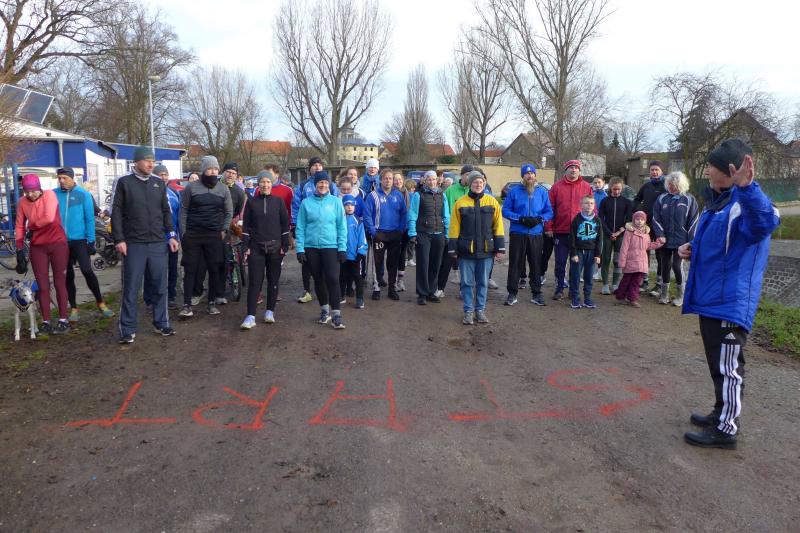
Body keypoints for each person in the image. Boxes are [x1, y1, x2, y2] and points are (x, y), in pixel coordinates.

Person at [681, 140, 779, 449]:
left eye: (712, 166)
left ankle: (726, 429)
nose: (707, 171)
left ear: (730, 171)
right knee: (718, 364)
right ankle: (720, 412)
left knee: (729, 368)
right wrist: (692, 248)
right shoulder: (719, 203)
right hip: (712, 297)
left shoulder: (745, 204)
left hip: (729, 301)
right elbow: (722, 245)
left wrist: (748, 188)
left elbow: (763, 224)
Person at [111, 146, 179, 343]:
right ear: (136, 162)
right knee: (131, 287)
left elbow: (166, 211)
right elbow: (116, 212)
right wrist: (119, 239)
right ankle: (127, 329)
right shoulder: (124, 183)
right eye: (147, 160)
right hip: (134, 244)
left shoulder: (158, 183)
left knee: (160, 285)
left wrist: (171, 235)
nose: (151, 164)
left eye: (153, 161)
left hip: (158, 242)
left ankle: (161, 322)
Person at [53, 167, 114, 321]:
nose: (61, 181)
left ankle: (100, 302)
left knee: (87, 270)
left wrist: (91, 240)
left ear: (72, 178)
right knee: (68, 274)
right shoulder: (53, 194)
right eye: (59, 178)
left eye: (65, 178)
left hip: (79, 240)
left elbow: (89, 219)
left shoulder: (83, 194)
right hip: (61, 241)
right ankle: (74, 308)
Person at [15, 174, 71, 334]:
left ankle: (63, 319)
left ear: (39, 188)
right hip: (38, 247)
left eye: (33, 191)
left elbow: (49, 218)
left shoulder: (49, 195)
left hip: (57, 244)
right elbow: (19, 225)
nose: (30, 194)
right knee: (43, 286)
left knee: (60, 282)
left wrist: (31, 227)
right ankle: (46, 321)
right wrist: (19, 248)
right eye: (27, 191)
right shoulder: (22, 202)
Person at [178, 155, 233, 318]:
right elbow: (183, 211)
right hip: (193, 235)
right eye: (209, 169)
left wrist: (223, 229)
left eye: (215, 169)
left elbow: (229, 211)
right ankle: (187, 305)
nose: (213, 172)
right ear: (203, 170)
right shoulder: (191, 188)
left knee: (214, 269)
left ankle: (211, 303)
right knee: (190, 269)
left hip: (214, 235)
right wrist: (184, 233)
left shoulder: (223, 189)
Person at [448, 170, 505, 325]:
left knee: (483, 283)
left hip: (486, 251)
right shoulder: (460, 203)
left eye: (481, 182)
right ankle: (468, 311)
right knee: (466, 283)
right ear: (470, 184)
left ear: (484, 184)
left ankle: (480, 311)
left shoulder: (492, 202)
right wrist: (453, 248)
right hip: (466, 251)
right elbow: (454, 227)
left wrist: (500, 247)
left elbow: (498, 225)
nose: (478, 184)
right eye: (475, 182)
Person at [295, 171, 348, 329]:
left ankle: (336, 315)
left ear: (329, 184)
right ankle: (325, 311)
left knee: (333, 279)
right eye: (320, 182)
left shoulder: (336, 202)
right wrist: (300, 249)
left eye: (325, 182)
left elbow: (342, 226)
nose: (323, 185)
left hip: (331, 246)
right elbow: (300, 227)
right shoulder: (306, 203)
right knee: (318, 279)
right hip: (311, 247)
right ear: (315, 184)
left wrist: (342, 248)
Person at [239, 171, 289, 329]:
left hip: (275, 247)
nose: (265, 185)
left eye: (268, 182)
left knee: (273, 280)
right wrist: (246, 245)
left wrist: (285, 245)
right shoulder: (252, 202)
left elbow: (284, 225)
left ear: (272, 183)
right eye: (262, 182)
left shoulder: (279, 202)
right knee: (255, 281)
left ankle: (270, 311)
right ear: (258, 184)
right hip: (256, 247)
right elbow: (246, 226)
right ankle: (250, 316)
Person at [502, 163, 553, 307]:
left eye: (532, 174)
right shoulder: (514, 191)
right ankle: (512, 293)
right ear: (522, 176)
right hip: (518, 233)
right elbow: (505, 210)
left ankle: (536, 293)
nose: (530, 176)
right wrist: (520, 218)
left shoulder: (542, 192)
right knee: (515, 264)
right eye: (527, 174)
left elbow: (549, 211)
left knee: (536, 264)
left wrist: (539, 219)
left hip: (536, 234)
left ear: (535, 176)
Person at [292, 156, 338, 303]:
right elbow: (296, 206)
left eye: (319, 165)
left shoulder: (331, 185)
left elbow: (336, 207)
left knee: (325, 265)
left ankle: (324, 291)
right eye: (314, 165)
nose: (317, 167)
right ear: (309, 168)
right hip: (307, 230)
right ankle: (307, 291)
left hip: (327, 233)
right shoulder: (302, 186)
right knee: (306, 262)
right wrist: (295, 224)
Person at [545, 160, 593, 300]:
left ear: (579, 170)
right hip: (561, 231)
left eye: (576, 168)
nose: (573, 170)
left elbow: (592, 209)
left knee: (575, 263)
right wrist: (548, 227)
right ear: (566, 170)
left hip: (579, 233)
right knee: (560, 262)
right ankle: (559, 288)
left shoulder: (586, 187)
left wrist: (591, 228)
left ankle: (573, 290)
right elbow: (549, 208)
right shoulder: (556, 187)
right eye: (571, 167)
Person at [652, 171, 699, 305]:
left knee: (676, 266)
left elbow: (694, 221)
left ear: (681, 184)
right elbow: (656, 218)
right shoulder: (662, 199)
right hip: (665, 240)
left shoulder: (689, 199)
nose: (671, 187)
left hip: (681, 241)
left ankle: (681, 295)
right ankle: (664, 295)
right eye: (669, 185)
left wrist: (690, 242)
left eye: (674, 185)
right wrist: (660, 235)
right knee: (665, 265)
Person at [363, 168, 407, 301]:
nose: (388, 180)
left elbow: (404, 213)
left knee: (393, 263)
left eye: (390, 178)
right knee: (377, 262)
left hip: (394, 234)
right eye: (385, 178)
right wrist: (373, 231)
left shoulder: (398, 195)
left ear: (393, 180)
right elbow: (367, 215)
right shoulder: (373, 195)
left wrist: (400, 229)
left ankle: (391, 289)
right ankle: (376, 288)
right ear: (380, 180)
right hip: (379, 234)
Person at [408, 170, 449, 305]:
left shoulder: (442, 195)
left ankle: (431, 291)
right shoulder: (418, 195)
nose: (432, 182)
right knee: (423, 264)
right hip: (423, 233)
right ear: (424, 181)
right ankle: (422, 294)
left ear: (437, 180)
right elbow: (412, 214)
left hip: (439, 233)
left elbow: (446, 215)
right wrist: (412, 233)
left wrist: (447, 233)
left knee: (436, 264)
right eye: (429, 179)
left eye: (434, 179)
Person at [144, 164, 181, 310]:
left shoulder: (174, 193)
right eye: (160, 174)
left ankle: (171, 296)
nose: (164, 177)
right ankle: (150, 299)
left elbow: (179, 215)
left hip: (172, 238)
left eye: (166, 174)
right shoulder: (148, 193)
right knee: (152, 270)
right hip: (155, 238)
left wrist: (179, 235)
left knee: (172, 269)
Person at [614, 211, 662, 307]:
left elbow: (648, 246)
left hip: (641, 263)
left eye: (642, 219)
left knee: (636, 282)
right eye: (637, 219)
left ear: (645, 221)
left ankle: (632, 299)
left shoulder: (646, 234)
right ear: (633, 220)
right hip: (630, 261)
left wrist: (659, 243)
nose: (640, 221)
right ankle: (620, 297)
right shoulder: (629, 232)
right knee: (626, 280)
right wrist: (622, 262)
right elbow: (624, 248)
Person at [437, 165, 472, 293]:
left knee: (467, 264)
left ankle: (464, 290)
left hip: (468, 233)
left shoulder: (474, 191)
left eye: (471, 174)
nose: (469, 177)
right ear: (462, 175)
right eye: (467, 174)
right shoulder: (450, 190)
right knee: (446, 262)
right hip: (452, 233)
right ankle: (440, 288)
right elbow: (441, 209)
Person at [633, 160, 667, 294]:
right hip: (646, 226)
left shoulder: (666, 186)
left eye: (656, 169)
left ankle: (659, 284)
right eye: (652, 170)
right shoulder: (646, 186)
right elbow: (636, 199)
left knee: (660, 255)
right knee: (644, 253)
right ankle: (644, 281)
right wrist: (639, 210)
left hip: (660, 226)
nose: (654, 172)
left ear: (661, 171)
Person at [597, 177, 633, 294]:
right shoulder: (605, 201)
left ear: (622, 189)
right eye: (614, 189)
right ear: (610, 188)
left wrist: (619, 232)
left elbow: (628, 219)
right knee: (606, 259)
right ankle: (605, 285)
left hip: (620, 235)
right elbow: (600, 219)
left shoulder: (627, 202)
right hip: (607, 234)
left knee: (617, 260)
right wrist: (609, 233)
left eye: (618, 189)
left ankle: (615, 284)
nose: (616, 191)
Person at [568, 196, 602, 309]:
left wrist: (598, 254)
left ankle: (587, 299)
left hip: (591, 253)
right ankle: (575, 299)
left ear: (594, 205)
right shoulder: (577, 219)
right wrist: (573, 253)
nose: (589, 205)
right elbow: (572, 238)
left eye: (591, 203)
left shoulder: (597, 220)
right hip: (579, 252)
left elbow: (599, 239)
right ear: (581, 205)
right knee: (576, 276)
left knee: (589, 277)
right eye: (586, 203)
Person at [339, 194, 368, 309]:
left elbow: (362, 239)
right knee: (342, 277)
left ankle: (360, 299)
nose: (349, 207)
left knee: (358, 278)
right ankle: (341, 296)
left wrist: (360, 253)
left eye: (352, 205)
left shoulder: (358, 221)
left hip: (355, 256)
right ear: (343, 206)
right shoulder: (340, 220)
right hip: (343, 255)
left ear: (355, 206)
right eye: (347, 205)